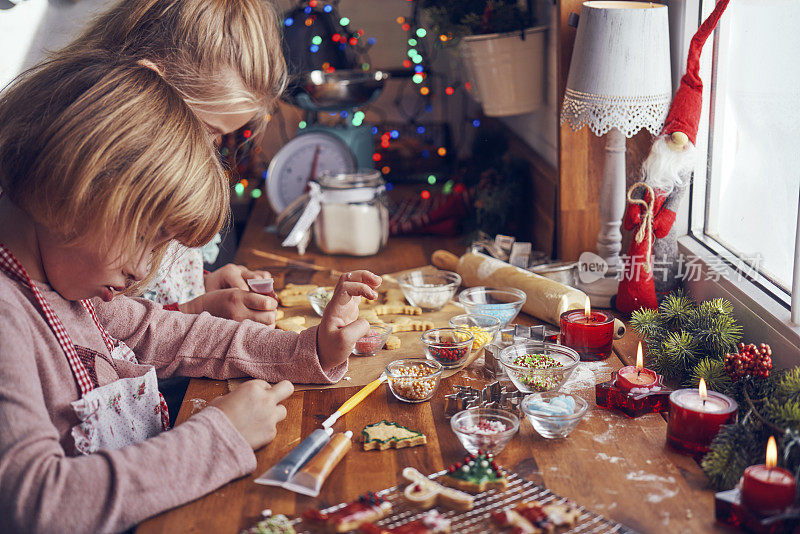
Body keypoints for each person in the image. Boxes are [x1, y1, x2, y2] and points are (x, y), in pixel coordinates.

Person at [0, 56, 378, 533]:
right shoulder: (7, 316)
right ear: (76, 189)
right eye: (146, 236)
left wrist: (307, 349)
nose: (141, 270)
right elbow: (35, 504)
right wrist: (219, 436)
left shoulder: (64, 287)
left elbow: (169, 333)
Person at [54, 0, 289, 325]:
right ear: (143, 89)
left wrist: (204, 284)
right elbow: (94, 328)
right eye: (206, 131)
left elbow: (151, 287)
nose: (209, 153)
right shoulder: (83, 186)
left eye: (219, 139)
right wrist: (193, 313)